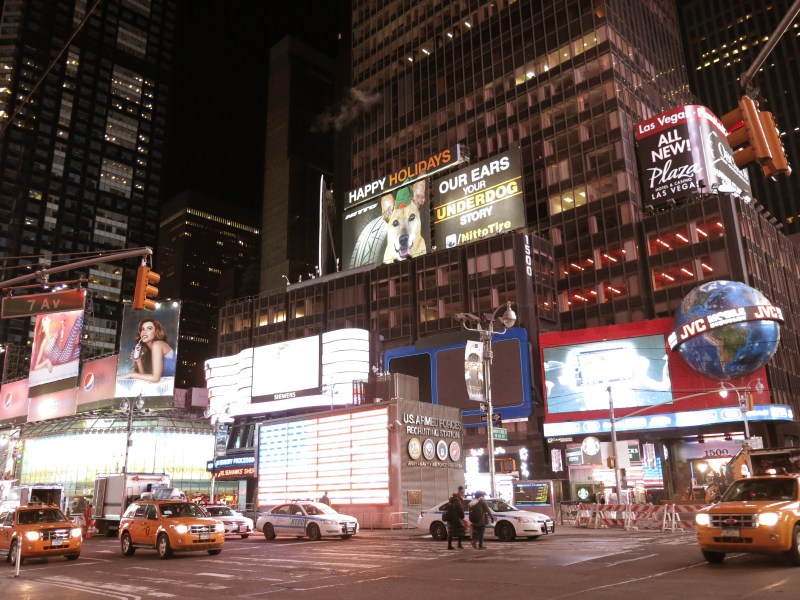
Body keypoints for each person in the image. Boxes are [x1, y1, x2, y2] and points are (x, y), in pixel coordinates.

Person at [119, 318, 176, 383]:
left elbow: (155, 378)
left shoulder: (157, 345)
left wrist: (131, 374)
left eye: (149, 328)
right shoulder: (150, 352)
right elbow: (146, 380)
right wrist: (139, 362)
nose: (144, 332)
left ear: (156, 332)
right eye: (142, 329)